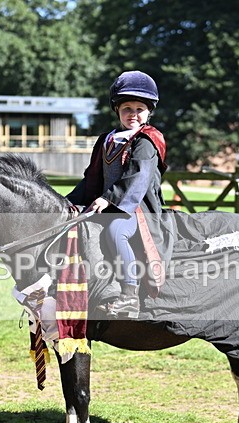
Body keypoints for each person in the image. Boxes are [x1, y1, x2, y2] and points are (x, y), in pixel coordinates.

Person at [66, 70, 168, 318]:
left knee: (115, 230)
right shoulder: (106, 139)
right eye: (127, 109)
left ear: (149, 112)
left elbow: (137, 177)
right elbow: (92, 178)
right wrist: (67, 202)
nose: (133, 115)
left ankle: (129, 294)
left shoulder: (147, 140)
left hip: (137, 207)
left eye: (139, 109)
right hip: (108, 203)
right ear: (117, 111)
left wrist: (108, 198)